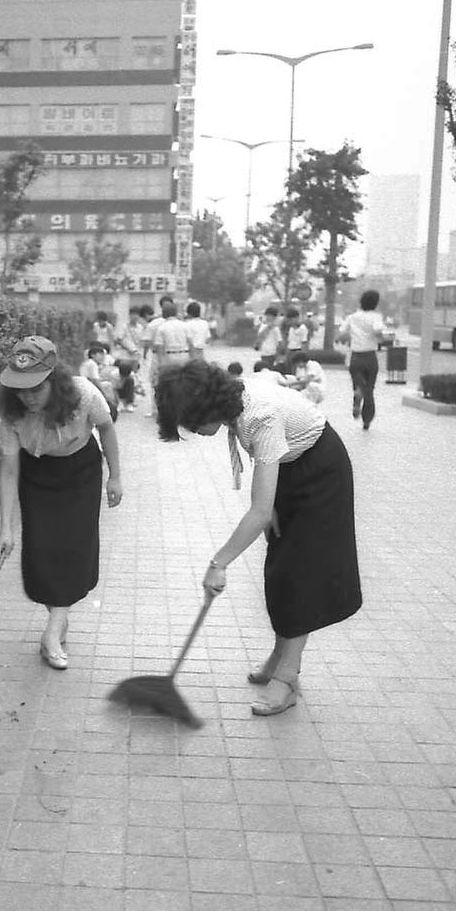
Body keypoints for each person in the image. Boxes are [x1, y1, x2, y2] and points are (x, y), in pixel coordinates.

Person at [155, 361, 361, 716]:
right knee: (280, 569)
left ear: (207, 407)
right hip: (291, 467)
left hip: (321, 472)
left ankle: (287, 677)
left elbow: (259, 511)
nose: (190, 429)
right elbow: (265, 503)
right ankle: (279, 656)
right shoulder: (234, 399)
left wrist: (218, 563)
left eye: (190, 421)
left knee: (300, 576)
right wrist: (272, 506)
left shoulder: (259, 417)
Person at [0, 336, 122, 671]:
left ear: (55, 380)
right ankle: (58, 621)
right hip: (38, 476)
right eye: (20, 389)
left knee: (73, 549)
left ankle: (52, 633)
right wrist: (6, 527)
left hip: (80, 471)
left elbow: (107, 430)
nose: (27, 397)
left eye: (35, 388)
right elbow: (9, 470)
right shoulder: (12, 414)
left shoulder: (83, 394)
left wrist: (115, 476)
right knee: (41, 551)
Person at [341, 289, 387, 430]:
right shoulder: (376, 316)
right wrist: (381, 338)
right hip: (370, 357)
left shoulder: (352, 317)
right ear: (376, 303)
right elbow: (378, 330)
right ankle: (367, 421)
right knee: (370, 391)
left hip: (356, 357)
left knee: (359, 385)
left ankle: (358, 393)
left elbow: (343, 332)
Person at [79, 341, 119, 420]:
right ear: (93, 355)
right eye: (100, 354)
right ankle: (109, 407)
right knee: (108, 385)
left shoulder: (89, 363)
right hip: (88, 386)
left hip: (86, 385)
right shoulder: (92, 364)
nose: (102, 357)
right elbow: (95, 380)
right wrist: (105, 394)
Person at [152, 302, 191, 368]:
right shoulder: (185, 325)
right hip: (184, 355)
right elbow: (190, 342)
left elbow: (160, 347)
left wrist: (160, 363)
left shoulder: (161, 327)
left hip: (169, 357)